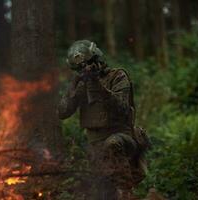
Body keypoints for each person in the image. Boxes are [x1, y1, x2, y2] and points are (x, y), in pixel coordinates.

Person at [57, 40, 150, 200]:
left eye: (89, 64)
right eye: (80, 68)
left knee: (112, 144)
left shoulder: (117, 76)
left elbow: (121, 108)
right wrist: (74, 85)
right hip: (95, 145)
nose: (86, 69)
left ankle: (126, 193)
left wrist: (98, 87)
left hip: (122, 138)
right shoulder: (81, 84)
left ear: (97, 58)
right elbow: (63, 112)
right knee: (103, 192)